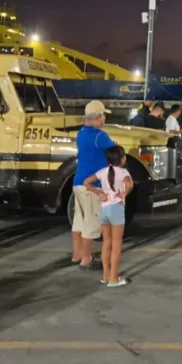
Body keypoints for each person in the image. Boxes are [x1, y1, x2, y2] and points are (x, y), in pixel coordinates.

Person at [71, 101, 117, 269]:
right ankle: (86, 258)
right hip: (92, 185)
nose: (105, 118)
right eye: (104, 115)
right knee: (91, 222)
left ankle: (77, 254)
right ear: (97, 117)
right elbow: (115, 150)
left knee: (79, 220)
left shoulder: (81, 133)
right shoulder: (100, 135)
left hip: (78, 182)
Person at [84, 146, 132, 288]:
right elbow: (129, 185)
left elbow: (87, 182)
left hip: (104, 209)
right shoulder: (123, 172)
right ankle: (114, 278)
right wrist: (124, 193)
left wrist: (98, 193)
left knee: (106, 243)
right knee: (116, 245)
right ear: (122, 159)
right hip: (116, 209)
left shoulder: (102, 172)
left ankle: (105, 275)